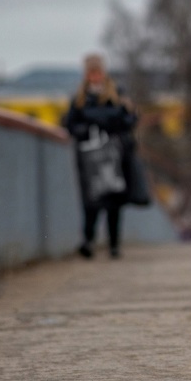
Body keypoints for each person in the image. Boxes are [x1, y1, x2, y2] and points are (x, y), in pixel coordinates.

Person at [62, 53, 138, 259]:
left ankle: (114, 244)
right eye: (91, 73)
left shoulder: (117, 94)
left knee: (114, 199)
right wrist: (88, 128)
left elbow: (130, 119)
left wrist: (98, 120)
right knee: (90, 201)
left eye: (97, 72)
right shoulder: (79, 98)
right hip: (88, 156)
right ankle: (88, 241)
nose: (94, 77)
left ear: (103, 73)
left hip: (114, 154)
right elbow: (69, 124)